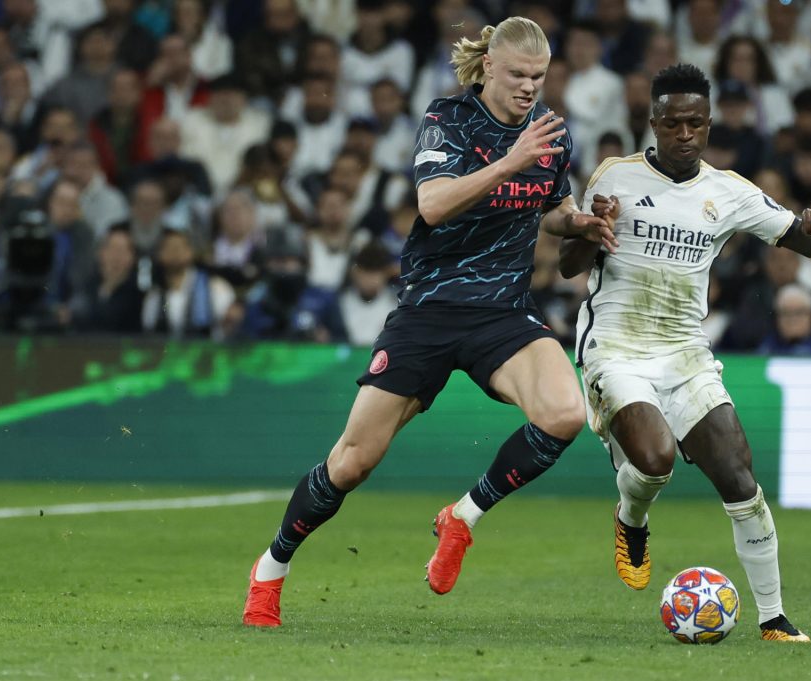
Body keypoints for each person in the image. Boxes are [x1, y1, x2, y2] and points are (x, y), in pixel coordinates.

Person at [242, 16, 617, 628]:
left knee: (565, 414)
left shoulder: (550, 133)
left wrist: (581, 222)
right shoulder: (448, 119)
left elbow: (552, 209)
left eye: (540, 77)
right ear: (490, 67)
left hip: (502, 311)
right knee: (352, 463)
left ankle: (462, 517)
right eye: (519, 75)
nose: (529, 88)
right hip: (429, 309)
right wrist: (510, 160)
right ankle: (270, 570)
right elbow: (433, 205)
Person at [559, 64, 811, 643]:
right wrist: (592, 232)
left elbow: (802, 244)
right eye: (674, 122)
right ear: (653, 123)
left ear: (708, 126)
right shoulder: (616, 177)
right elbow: (568, 266)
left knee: (739, 475)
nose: (686, 133)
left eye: (697, 123)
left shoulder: (727, 191)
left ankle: (774, 618)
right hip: (617, 345)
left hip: (684, 351)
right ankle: (631, 519)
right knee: (655, 459)